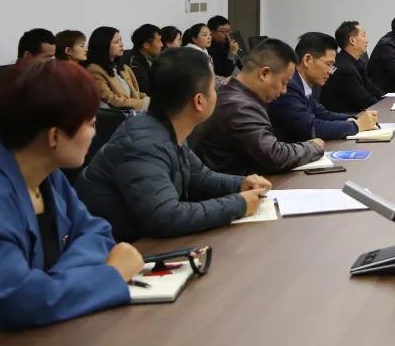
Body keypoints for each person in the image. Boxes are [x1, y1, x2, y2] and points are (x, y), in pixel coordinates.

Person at [0, 60, 143, 329]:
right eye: (91, 124)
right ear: (54, 136)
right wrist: (111, 275)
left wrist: (53, 281)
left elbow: (97, 232)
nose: (95, 133)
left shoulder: (49, 176)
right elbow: (18, 299)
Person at [76, 48, 270, 241]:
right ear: (199, 101)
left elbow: (200, 176)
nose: (217, 93)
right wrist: (239, 204)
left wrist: (240, 184)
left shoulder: (165, 125)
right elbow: (166, 217)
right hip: (113, 248)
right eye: (213, 88)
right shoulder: (142, 144)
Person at [191, 39, 325, 174]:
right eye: (283, 82)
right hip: (236, 183)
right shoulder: (240, 106)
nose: (284, 90)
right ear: (264, 73)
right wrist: (313, 147)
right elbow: (274, 156)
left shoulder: (230, 92)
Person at [269, 33, 377, 143]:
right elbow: (310, 127)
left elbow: (322, 114)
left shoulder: (302, 83)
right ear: (307, 60)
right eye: (328, 64)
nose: (331, 72)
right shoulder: (289, 87)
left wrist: (356, 119)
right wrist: (356, 125)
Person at [322, 20, 386, 113]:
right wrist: (387, 106)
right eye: (363, 36)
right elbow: (364, 101)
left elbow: (371, 87)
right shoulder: (345, 69)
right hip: (348, 116)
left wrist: (389, 99)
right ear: (352, 40)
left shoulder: (355, 62)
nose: (367, 40)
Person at [84, 27, 149, 112]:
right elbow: (111, 100)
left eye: (121, 40)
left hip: (135, 113)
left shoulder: (124, 68)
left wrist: (147, 99)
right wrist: (143, 104)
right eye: (116, 42)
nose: (121, 44)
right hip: (118, 116)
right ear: (104, 45)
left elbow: (135, 94)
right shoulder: (94, 70)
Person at [128, 24, 163, 95]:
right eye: (159, 41)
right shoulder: (134, 64)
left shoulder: (149, 59)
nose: (162, 45)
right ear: (146, 45)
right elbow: (148, 91)